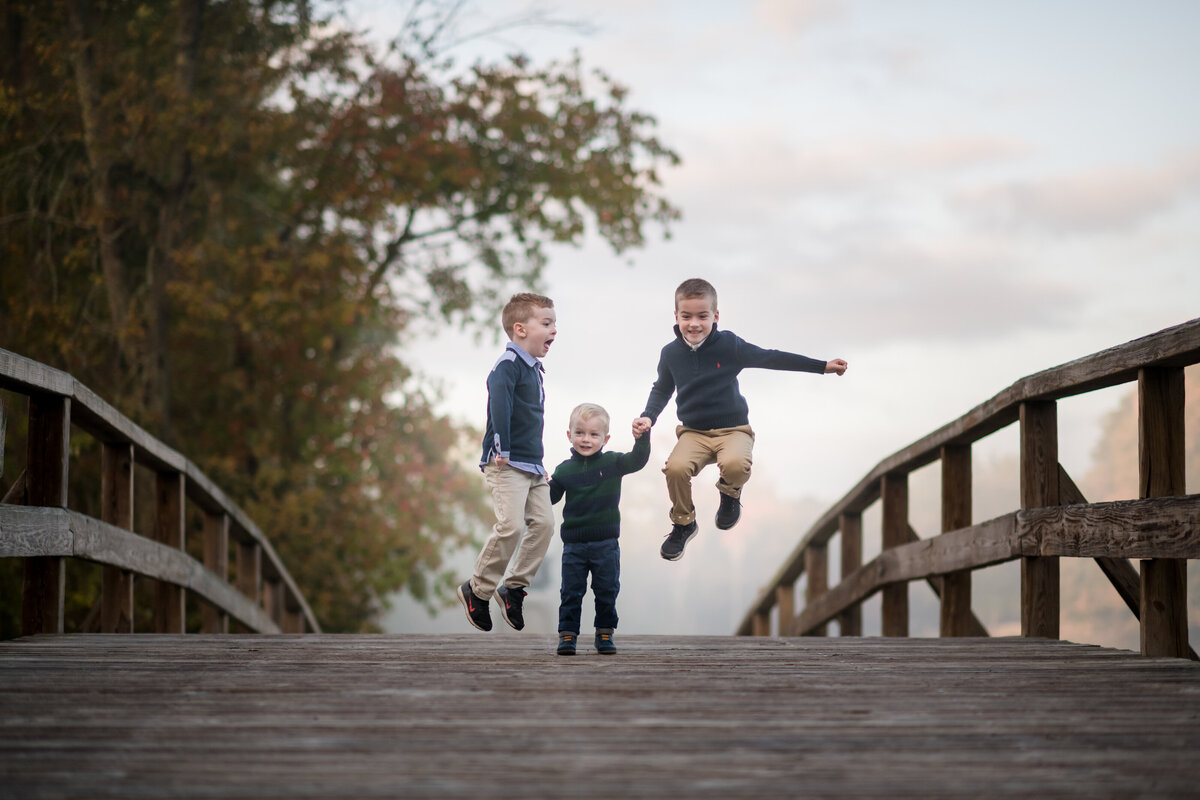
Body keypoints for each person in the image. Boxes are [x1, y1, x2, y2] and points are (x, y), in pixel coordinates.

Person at [633, 278, 847, 562]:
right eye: (686, 316)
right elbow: (661, 388)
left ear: (716, 316)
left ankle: (730, 493)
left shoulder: (729, 346)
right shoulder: (670, 353)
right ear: (676, 317)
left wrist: (821, 367)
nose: (694, 324)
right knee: (675, 468)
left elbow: (771, 358)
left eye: (702, 316)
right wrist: (648, 416)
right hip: (693, 433)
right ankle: (684, 523)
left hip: (733, 430)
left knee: (735, 464)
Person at [458, 292, 557, 632]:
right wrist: (501, 446)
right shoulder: (507, 367)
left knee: (544, 525)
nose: (554, 330)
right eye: (546, 323)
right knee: (511, 525)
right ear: (520, 329)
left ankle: (514, 587)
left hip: (532, 465)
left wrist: (539, 460)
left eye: (554, 323)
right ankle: (477, 589)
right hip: (505, 461)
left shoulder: (535, 371)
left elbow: (533, 421)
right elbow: (500, 406)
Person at [548, 403, 651, 655]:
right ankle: (567, 635)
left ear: (605, 438)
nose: (586, 439)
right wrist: (538, 482)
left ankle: (604, 632)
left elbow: (638, 461)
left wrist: (643, 437)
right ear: (569, 435)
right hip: (573, 546)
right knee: (571, 591)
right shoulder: (563, 470)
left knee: (606, 589)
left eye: (594, 434)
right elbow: (548, 498)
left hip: (605, 543)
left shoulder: (613, 463)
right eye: (580, 433)